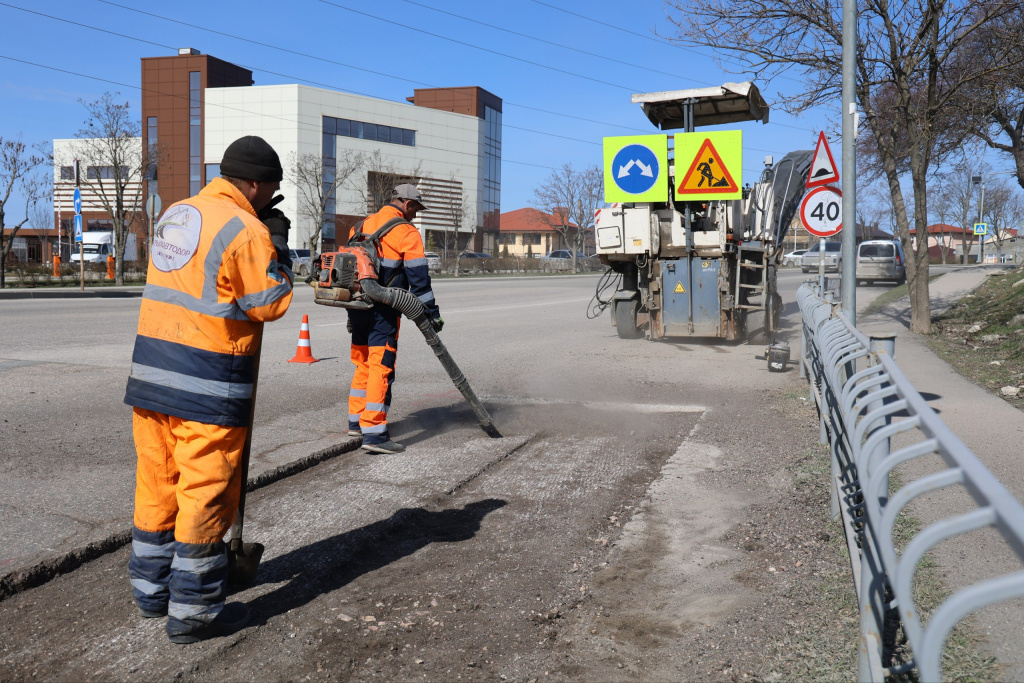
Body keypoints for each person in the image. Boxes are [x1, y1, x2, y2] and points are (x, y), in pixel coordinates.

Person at [123, 135, 294, 644]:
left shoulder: (177, 213)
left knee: (157, 486)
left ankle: (152, 594)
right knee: (204, 493)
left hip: (152, 377)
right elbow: (270, 302)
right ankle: (194, 613)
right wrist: (277, 247)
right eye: (272, 192)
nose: (270, 201)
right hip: (206, 386)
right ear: (258, 184)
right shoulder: (244, 228)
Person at [347, 184, 441, 454]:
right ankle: (375, 433)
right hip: (384, 309)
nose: (415, 215)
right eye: (416, 209)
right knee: (380, 365)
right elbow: (419, 281)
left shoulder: (359, 225)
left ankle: (356, 421)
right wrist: (431, 314)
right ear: (407, 204)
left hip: (357, 306)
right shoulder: (406, 232)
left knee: (362, 362)